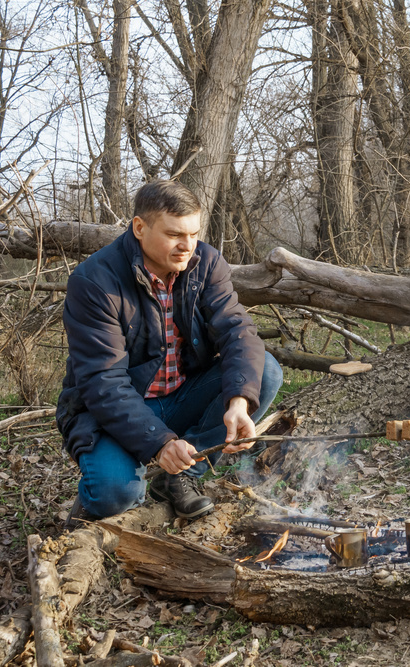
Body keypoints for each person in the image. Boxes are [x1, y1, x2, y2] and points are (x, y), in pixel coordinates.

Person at [57, 180, 283, 525]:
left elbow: (237, 331)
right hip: (110, 410)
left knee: (263, 370)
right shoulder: (95, 281)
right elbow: (102, 381)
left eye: (194, 234)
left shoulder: (206, 263)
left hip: (180, 395)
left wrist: (239, 401)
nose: (187, 246)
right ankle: (94, 503)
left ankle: (179, 478)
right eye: (175, 234)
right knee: (115, 494)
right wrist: (160, 443)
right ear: (139, 228)